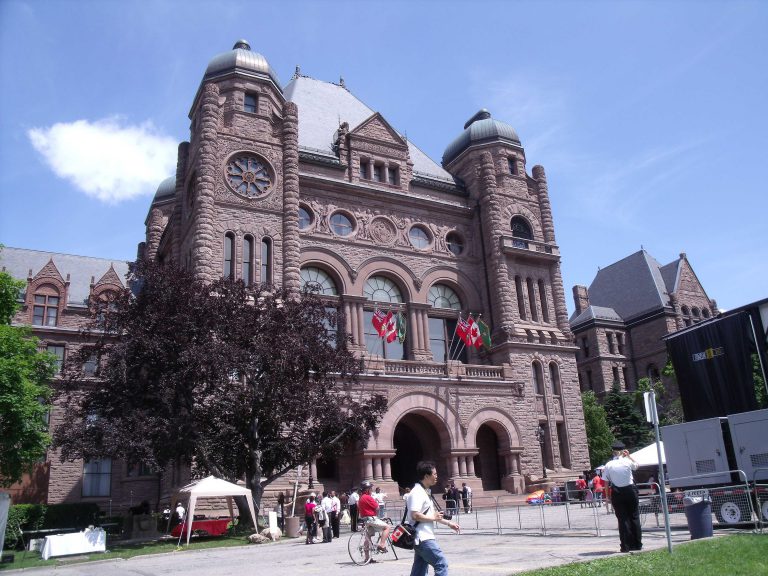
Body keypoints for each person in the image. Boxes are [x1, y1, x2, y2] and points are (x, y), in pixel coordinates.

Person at [406, 461, 460, 576]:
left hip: (422, 537)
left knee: (419, 570)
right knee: (441, 563)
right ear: (426, 476)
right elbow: (415, 515)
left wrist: (449, 523)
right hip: (423, 537)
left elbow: (433, 515)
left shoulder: (424, 492)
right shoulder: (417, 493)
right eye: (434, 474)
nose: (436, 477)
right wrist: (433, 517)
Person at [602, 440, 642, 553]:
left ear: (613, 451)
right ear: (623, 451)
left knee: (622, 519)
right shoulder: (627, 462)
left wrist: (607, 496)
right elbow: (637, 466)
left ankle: (625, 546)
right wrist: (629, 456)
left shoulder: (609, 465)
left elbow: (606, 482)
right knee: (634, 517)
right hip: (630, 490)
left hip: (617, 491)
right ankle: (637, 544)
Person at [358, 481, 391, 557]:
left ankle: (367, 558)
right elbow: (377, 507)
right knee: (387, 527)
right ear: (367, 490)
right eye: (370, 488)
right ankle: (382, 545)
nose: (371, 490)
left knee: (368, 537)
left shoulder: (361, 498)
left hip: (365, 520)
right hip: (371, 518)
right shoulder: (368, 497)